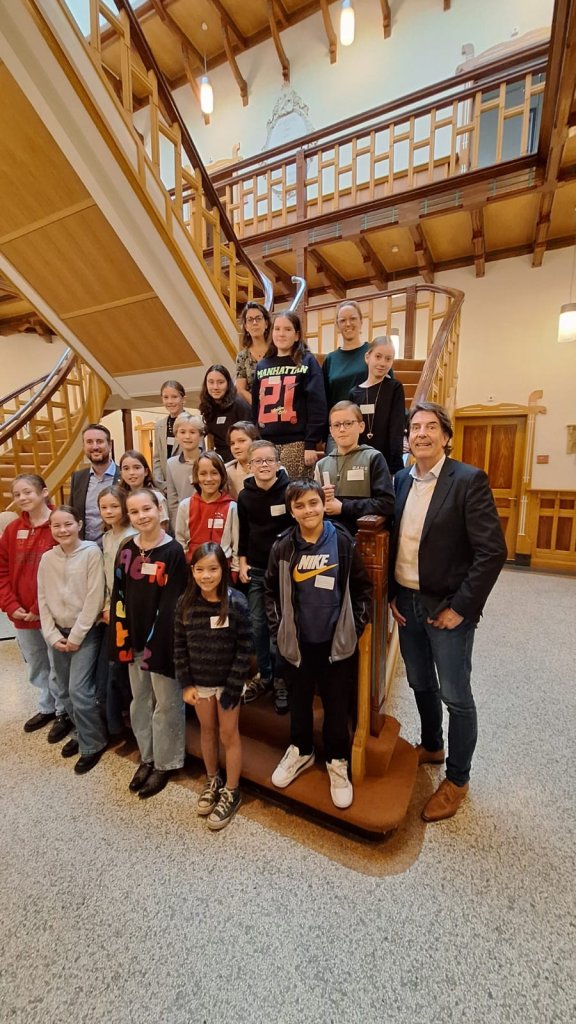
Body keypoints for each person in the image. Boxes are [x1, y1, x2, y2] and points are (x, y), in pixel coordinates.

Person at [389, 401, 507, 823]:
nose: (420, 433)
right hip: (407, 603)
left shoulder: (468, 480)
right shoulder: (401, 478)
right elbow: (394, 540)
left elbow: (492, 552)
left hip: (447, 609)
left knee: (456, 695)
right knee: (420, 682)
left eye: (429, 427)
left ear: (446, 436)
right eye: (414, 427)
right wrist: (390, 593)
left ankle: (457, 779)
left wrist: (461, 608)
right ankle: (432, 745)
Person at [265, 480, 372, 809]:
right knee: (298, 701)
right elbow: (270, 591)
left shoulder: (341, 541)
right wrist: (279, 628)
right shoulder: (282, 546)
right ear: (292, 510)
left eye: (313, 503)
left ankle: (338, 760)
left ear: (322, 504)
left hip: (335, 644)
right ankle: (301, 750)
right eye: (300, 506)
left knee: (337, 705)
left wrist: (354, 626)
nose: (308, 510)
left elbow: (362, 589)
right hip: (298, 644)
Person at [110, 489, 188, 799]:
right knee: (140, 701)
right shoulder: (126, 548)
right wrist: (123, 635)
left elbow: (173, 604)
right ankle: (148, 757)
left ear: (159, 509)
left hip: (163, 641)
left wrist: (158, 641)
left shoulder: (173, 552)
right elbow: (118, 594)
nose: (142, 516)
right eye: (135, 511)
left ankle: (166, 763)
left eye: (147, 509)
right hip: (133, 637)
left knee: (166, 704)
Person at [174, 543, 253, 830]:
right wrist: (186, 683)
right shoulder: (185, 604)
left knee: (229, 735)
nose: (206, 576)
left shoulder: (237, 602)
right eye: (200, 570)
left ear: (223, 569)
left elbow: (245, 647)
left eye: (213, 569)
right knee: (207, 731)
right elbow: (179, 646)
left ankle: (232, 790)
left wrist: (233, 687)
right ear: (192, 571)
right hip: (201, 684)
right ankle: (212, 779)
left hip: (228, 685)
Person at [37, 506, 107, 774]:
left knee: (80, 690)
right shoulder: (47, 559)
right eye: (56, 526)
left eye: (68, 524)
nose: (63, 530)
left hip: (84, 632)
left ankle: (93, 742)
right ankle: (81, 731)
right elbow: (42, 598)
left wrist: (76, 635)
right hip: (57, 632)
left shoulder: (91, 553)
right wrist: (51, 634)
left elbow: (94, 598)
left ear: (79, 524)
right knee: (63, 689)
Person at [0, 474, 71, 740]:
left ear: (43, 492)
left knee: (58, 664)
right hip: (20, 614)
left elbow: (65, 572)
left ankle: (64, 711)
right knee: (37, 663)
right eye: (17, 494)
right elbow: (2, 569)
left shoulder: (59, 525)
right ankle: (47, 706)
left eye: (27, 492)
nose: (22, 498)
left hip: (51, 612)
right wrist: (10, 605)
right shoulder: (11, 530)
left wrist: (37, 607)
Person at [237, 440, 292, 712]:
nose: (264, 465)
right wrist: (243, 561)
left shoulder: (289, 491)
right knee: (257, 624)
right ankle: (266, 674)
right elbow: (243, 532)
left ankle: (282, 678)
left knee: (280, 627)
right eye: (258, 461)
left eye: (269, 460)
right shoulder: (244, 496)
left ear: (278, 462)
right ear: (250, 465)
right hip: (257, 569)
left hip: (284, 571)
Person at [252, 311, 327, 479]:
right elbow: (256, 406)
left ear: (297, 335)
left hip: (297, 443)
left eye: (287, 329)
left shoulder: (307, 361)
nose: (281, 333)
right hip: (266, 442)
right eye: (277, 329)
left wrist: (310, 443)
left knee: (294, 496)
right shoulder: (262, 365)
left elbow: (317, 404)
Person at [315, 401, 394, 534]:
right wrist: (320, 501)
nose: (342, 429)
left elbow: (386, 504)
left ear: (361, 426)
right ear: (331, 431)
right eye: (336, 425)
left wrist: (344, 507)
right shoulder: (322, 464)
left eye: (348, 423)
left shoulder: (373, 457)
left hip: (363, 535)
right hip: (330, 536)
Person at [97, 485, 136, 738]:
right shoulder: (106, 537)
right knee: (110, 672)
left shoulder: (132, 537)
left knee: (119, 670)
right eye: (104, 507)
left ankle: (125, 723)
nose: (109, 511)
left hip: (129, 611)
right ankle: (115, 725)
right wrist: (106, 605)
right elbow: (108, 576)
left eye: (114, 506)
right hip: (111, 609)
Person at [349, 336, 406, 475]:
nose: (382, 363)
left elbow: (396, 428)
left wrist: (395, 467)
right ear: (367, 357)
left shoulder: (394, 388)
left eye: (388, 359)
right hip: (359, 460)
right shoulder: (354, 393)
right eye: (378, 356)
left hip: (386, 459)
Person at [175, 452, 239, 574]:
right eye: (203, 474)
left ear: (222, 475)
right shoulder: (185, 505)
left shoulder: (232, 507)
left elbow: (236, 544)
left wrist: (235, 570)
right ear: (196, 476)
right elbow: (180, 541)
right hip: (193, 568)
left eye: (214, 473)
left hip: (222, 569)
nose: (209, 479)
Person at [322, 301, 369, 453]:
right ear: (337, 325)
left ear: (361, 321)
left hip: (367, 427)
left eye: (353, 318)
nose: (348, 324)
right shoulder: (331, 359)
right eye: (342, 320)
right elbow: (325, 400)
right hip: (338, 429)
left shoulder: (372, 352)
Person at [69, 423, 119, 544]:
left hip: (116, 548)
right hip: (86, 550)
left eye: (100, 441)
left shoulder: (124, 476)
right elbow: (73, 514)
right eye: (89, 442)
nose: (95, 447)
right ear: (84, 446)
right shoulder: (78, 478)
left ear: (110, 445)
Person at [199, 365, 251, 463]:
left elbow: (251, 436)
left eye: (220, 382)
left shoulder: (239, 404)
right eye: (211, 382)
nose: (215, 387)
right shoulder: (207, 406)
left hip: (240, 458)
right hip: (220, 458)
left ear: (228, 384)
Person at [166, 413, 205, 526]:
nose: (187, 437)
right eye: (182, 432)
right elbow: (172, 500)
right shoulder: (171, 463)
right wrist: (176, 526)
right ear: (176, 436)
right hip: (184, 521)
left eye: (192, 432)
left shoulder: (213, 460)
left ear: (201, 436)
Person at [152, 380, 187, 495]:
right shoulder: (159, 425)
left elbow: (198, 455)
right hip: (165, 488)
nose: (170, 401)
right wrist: (161, 484)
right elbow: (157, 458)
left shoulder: (193, 423)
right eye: (166, 397)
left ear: (183, 399)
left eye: (174, 397)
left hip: (186, 484)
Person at [119, 450, 169, 527]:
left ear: (146, 471)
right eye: (126, 469)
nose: (131, 472)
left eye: (136, 467)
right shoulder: (119, 498)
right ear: (121, 473)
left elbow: (163, 528)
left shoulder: (156, 497)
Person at [235, 302, 271, 406]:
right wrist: (257, 405)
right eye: (250, 320)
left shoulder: (277, 351)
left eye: (258, 318)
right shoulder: (242, 356)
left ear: (266, 323)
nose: (254, 323)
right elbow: (240, 389)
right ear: (246, 326)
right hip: (253, 408)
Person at [225, 420, 260, 499]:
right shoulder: (226, 472)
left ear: (255, 441)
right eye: (232, 443)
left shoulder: (272, 469)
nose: (236, 447)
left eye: (241, 441)